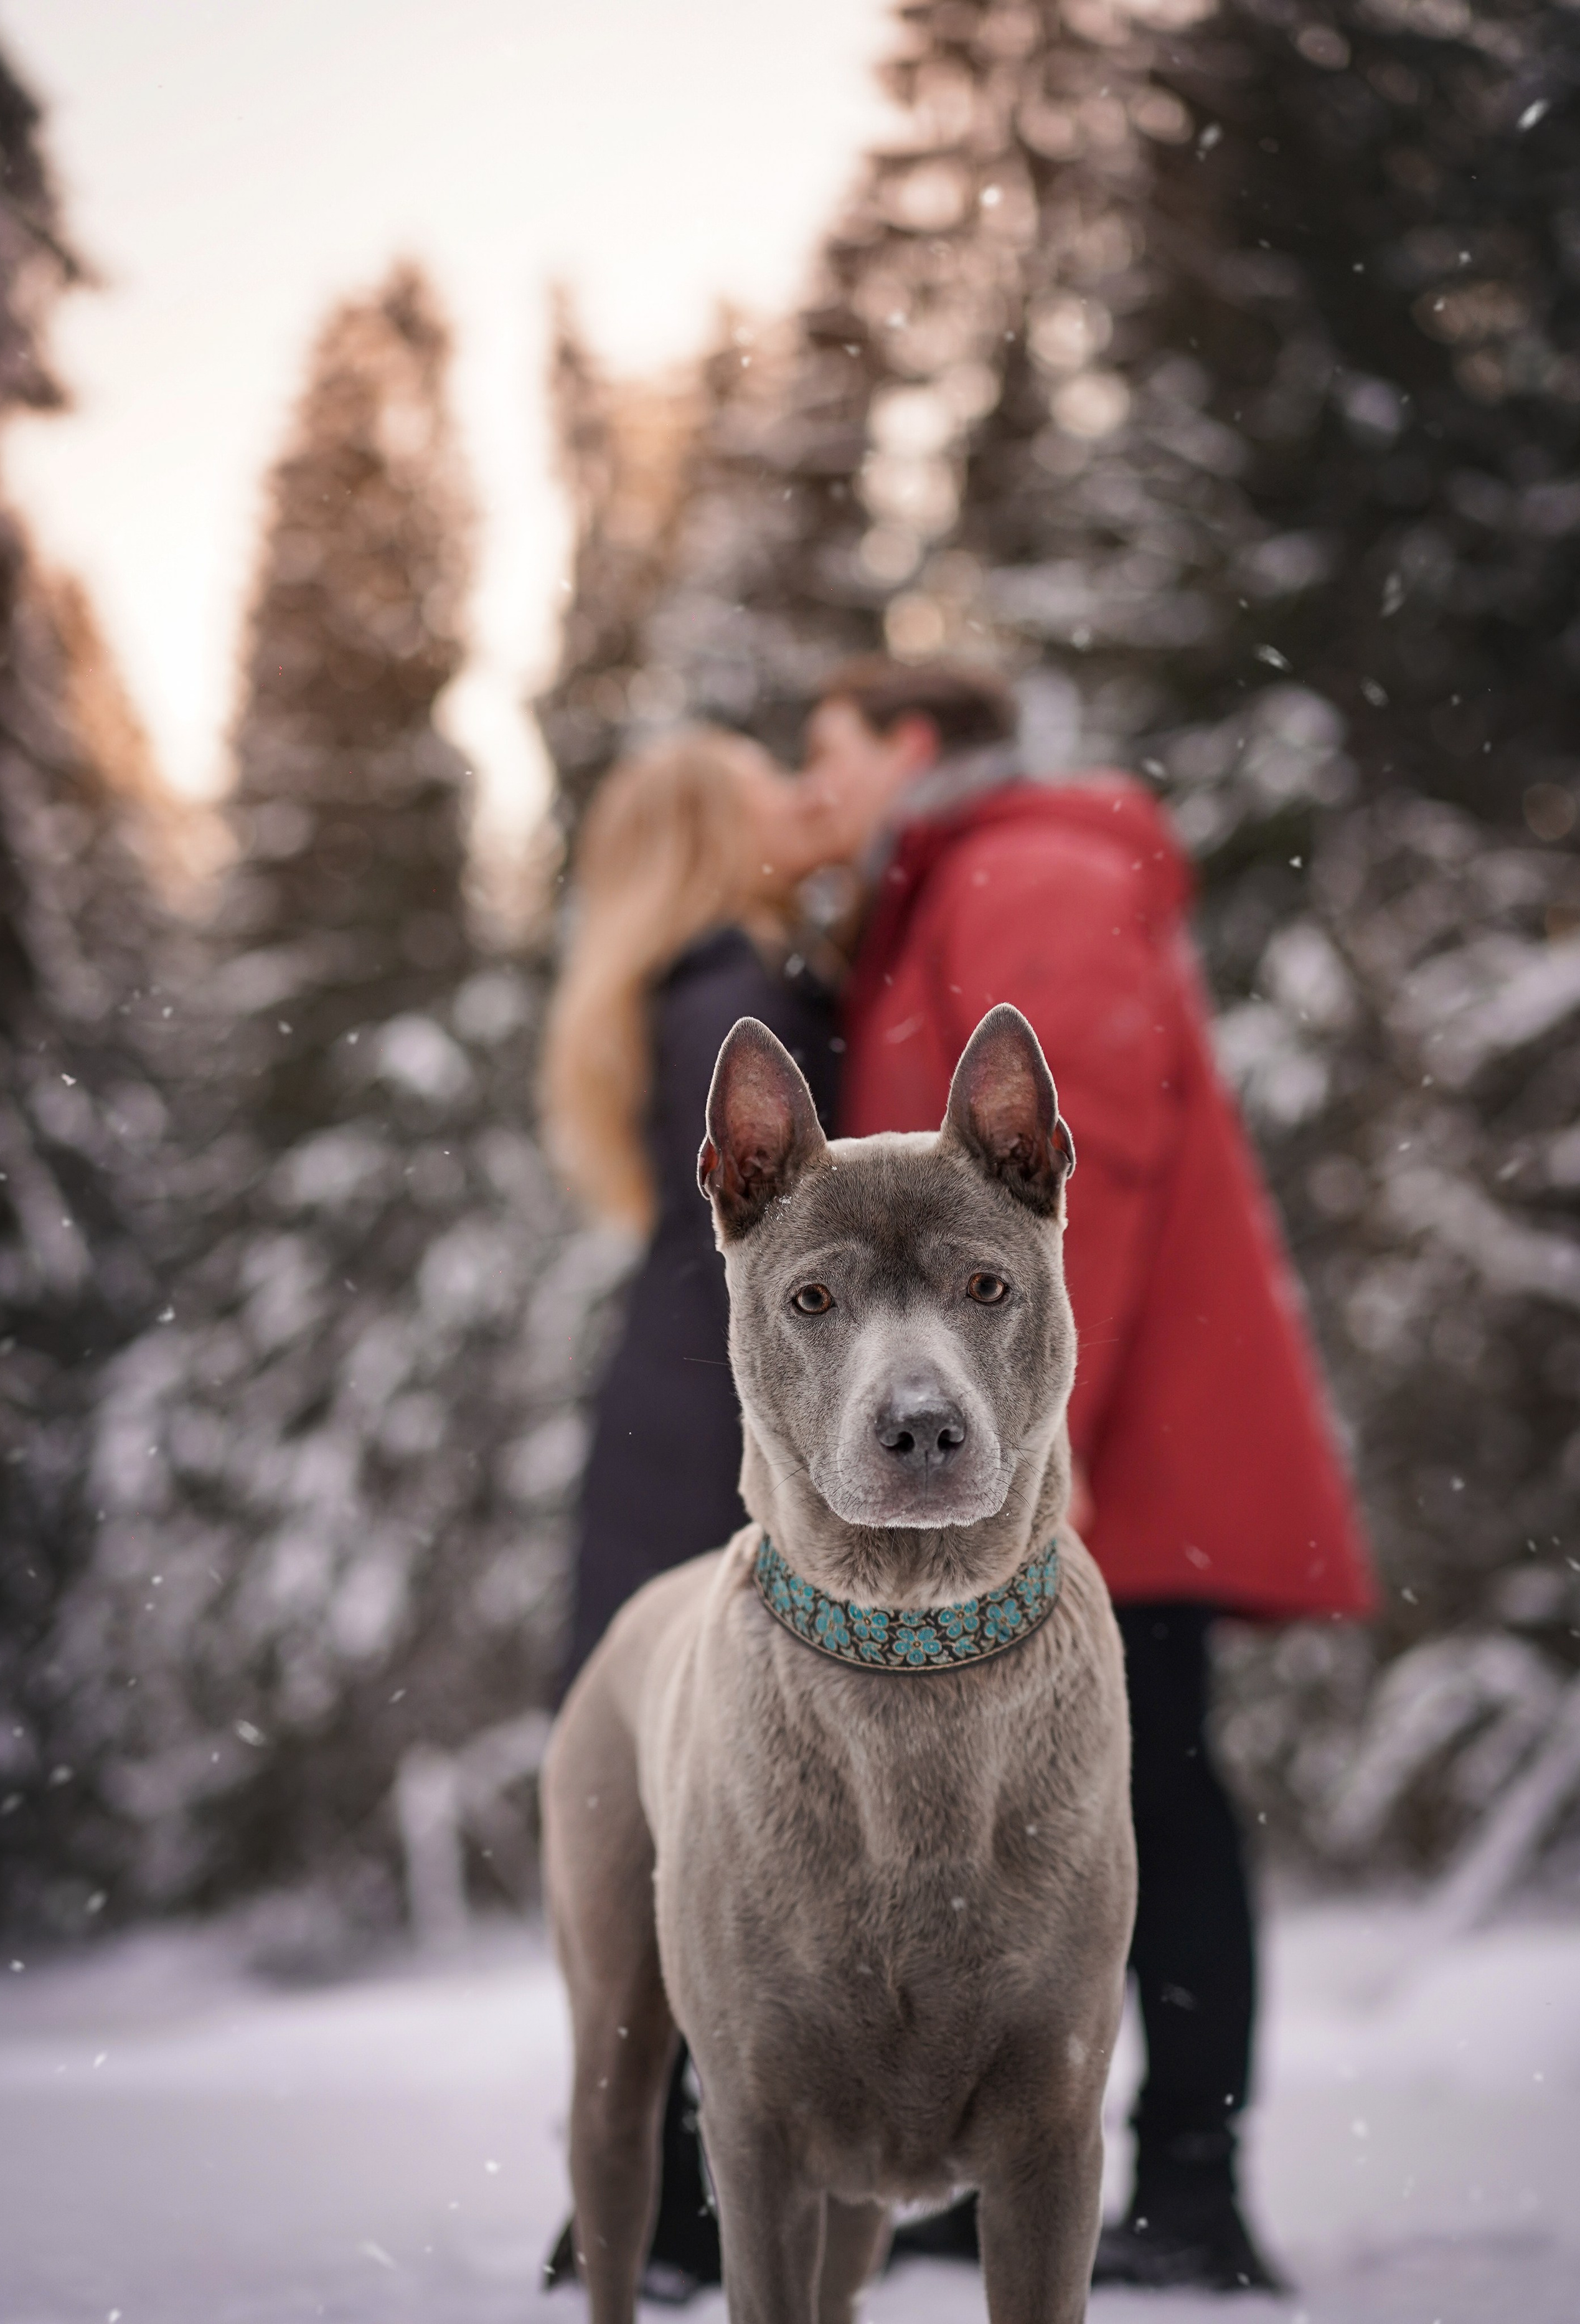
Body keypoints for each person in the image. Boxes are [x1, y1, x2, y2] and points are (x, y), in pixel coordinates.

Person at [799, 654, 1375, 2293]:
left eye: (825, 752)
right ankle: (1077, 2171)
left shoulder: (1027, 870)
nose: (811, 786)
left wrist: (1031, 1438)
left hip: (1117, 1433)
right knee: (1083, 1796)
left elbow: (1083, 1152)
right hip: (1089, 1418)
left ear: (911, 747)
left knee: (1149, 1787)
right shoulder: (962, 883)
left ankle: (1194, 2186)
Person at [540, 725, 842, 2301]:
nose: (809, 796)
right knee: (696, 1802)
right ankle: (665, 2211)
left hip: (661, 1403)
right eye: (770, 784)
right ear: (714, 836)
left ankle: (644, 2194)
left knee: (663, 1812)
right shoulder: (742, 1002)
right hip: (707, 1420)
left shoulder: (694, 988)